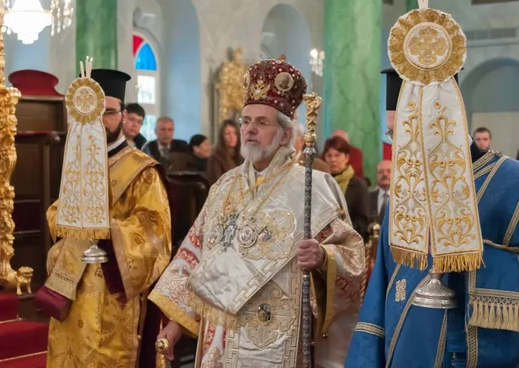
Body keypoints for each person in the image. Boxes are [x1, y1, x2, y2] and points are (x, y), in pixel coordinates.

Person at [347, 5, 519, 367]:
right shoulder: (406, 195)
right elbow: (382, 292)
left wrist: (465, 257)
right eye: (393, 134)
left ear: (445, 118)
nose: (399, 145)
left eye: (407, 131)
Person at [149, 58, 365, 367]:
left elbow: (353, 259)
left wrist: (323, 258)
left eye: (262, 122)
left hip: (279, 335)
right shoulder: (224, 187)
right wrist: (177, 323)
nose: (250, 129)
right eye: (246, 121)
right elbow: (196, 256)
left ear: (285, 132)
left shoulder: (314, 187)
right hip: (221, 337)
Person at [38, 69, 172, 367]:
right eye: (95, 111)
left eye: (109, 112)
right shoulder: (77, 158)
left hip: (113, 293)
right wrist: (69, 220)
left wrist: (106, 228)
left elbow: (156, 232)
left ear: (123, 116)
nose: (101, 119)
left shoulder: (142, 170)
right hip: (71, 287)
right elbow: (56, 211)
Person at [323, 136, 370, 241]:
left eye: (337, 155)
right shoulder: (322, 182)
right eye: (329, 155)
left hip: (349, 241)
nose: (333, 159)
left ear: (346, 157)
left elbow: (362, 220)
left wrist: (342, 232)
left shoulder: (358, 185)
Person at [206, 118, 243, 185]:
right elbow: (217, 184)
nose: (232, 137)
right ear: (222, 137)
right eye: (227, 134)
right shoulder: (215, 158)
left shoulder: (242, 155)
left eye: (235, 133)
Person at [368, 159, 391, 226]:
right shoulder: (367, 197)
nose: (385, 174)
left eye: (389, 171)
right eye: (380, 172)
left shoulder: (402, 198)